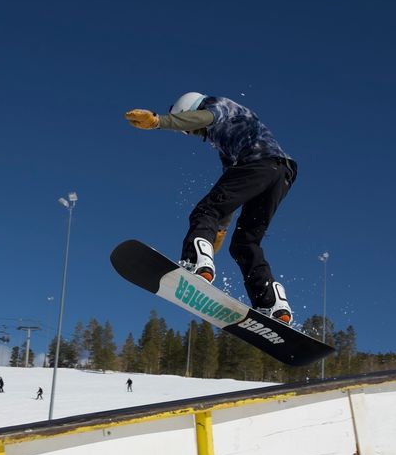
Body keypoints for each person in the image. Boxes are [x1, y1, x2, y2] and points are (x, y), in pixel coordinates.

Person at [125, 92, 296, 323]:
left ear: (189, 109)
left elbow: (204, 118)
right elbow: (229, 185)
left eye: (191, 129)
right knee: (245, 243)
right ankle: (272, 303)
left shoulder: (219, 105)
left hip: (260, 163)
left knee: (204, 211)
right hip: (281, 174)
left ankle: (196, 262)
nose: (197, 134)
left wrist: (159, 122)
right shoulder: (227, 144)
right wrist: (221, 229)